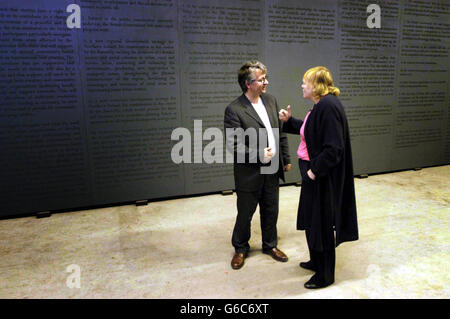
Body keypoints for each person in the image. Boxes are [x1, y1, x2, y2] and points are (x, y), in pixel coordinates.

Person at [279, 66, 358, 288]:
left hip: (321, 178)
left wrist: (314, 171)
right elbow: (309, 130)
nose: (302, 86)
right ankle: (316, 261)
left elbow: (334, 149)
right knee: (312, 221)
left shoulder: (328, 106)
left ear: (316, 85)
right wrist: (289, 121)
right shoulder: (321, 105)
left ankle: (325, 275)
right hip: (314, 176)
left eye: (305, 82)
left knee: (321, 225)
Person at [224, 60, 292, 270]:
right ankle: (240, 248)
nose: (266, 82)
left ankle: (270, 245)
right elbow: (234, 146)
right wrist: (258, 155)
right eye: (261, 79)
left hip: (271, 168)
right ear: (248, 83)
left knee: (271, 209)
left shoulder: (270, 101)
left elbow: (279, 133)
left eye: (265, 78)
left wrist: (286, 158)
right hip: (249, 172)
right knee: (246, 213)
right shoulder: (234, 109)